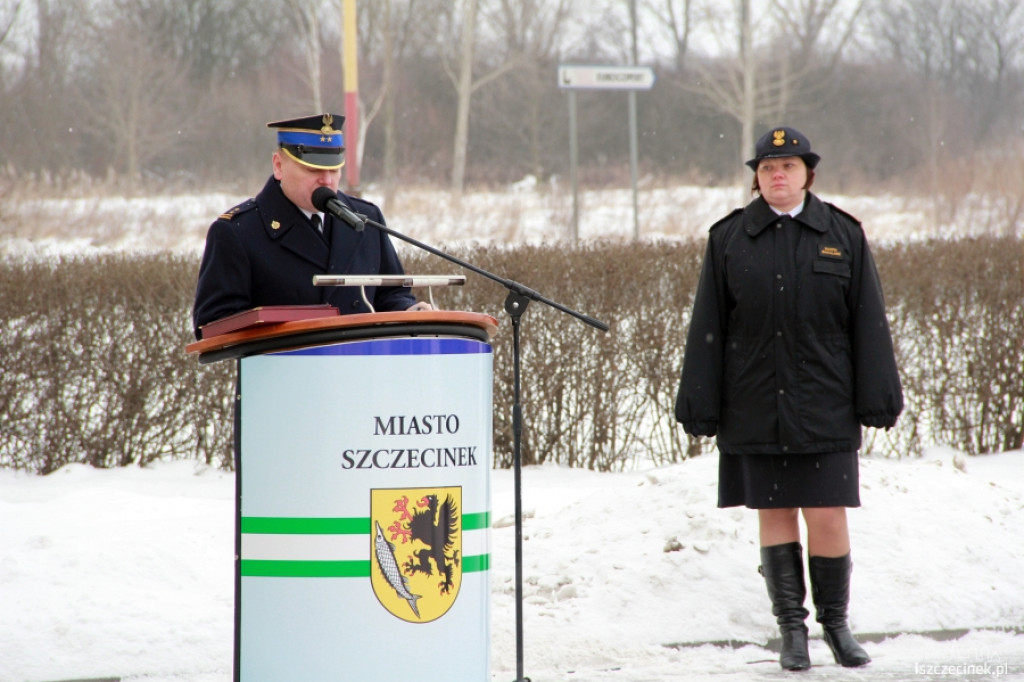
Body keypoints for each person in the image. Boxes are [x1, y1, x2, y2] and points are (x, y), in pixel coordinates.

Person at [674, 126, 902, 671]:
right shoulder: (728, 238)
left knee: (826, 513)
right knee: (774, 512)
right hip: (753, 400)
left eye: (790, 166)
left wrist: (878, 396)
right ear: (756, 177)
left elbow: (867, 322)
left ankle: (837, 627)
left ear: (808, 174)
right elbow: (708, 324)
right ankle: (791, 631)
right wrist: (700, 402)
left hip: (825, 400)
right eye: (768, 167)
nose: (779, 175)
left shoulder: (842, 234)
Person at [192, 113, 431, 339]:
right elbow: (213, 323)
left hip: (360, 370)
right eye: (313, 169)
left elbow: (391, 293)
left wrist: (409, 310)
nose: (326, 180)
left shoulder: (366, 218)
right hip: (283, 374)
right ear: (278, 166)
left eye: (334, 169)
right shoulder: (238, 231)